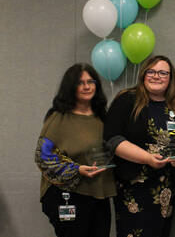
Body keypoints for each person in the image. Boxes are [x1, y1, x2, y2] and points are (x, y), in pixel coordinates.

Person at [103, 55, 175, 237]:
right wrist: (147, 158)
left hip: (166, 188)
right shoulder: (127, 100)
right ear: (143, 74)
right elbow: (112, 139)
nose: (157, 76)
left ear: (170, 78)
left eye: (163, 73)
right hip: (134, 187)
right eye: (152, 71)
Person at [35, 63, 116, 237]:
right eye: (80, 83)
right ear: (70, 87)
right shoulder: (58, 118)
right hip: (67, 195)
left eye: (91, 81)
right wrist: (77, 169)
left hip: (99, 195)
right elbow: (43, 157)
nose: (87, 87)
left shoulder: (103, 116)